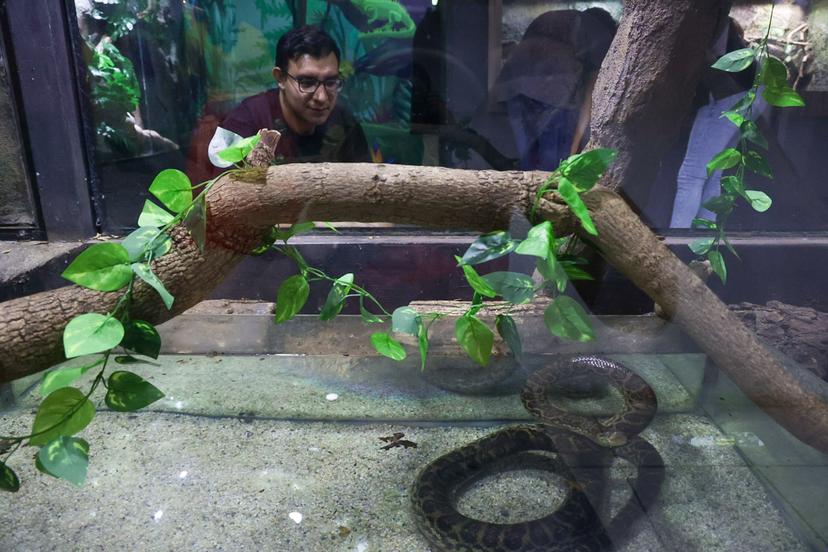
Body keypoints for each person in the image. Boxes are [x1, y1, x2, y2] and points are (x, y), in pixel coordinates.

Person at [471, 8, 617, 171]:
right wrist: (574, 153)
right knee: (552, 164)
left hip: (513, 91)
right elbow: (591, 94)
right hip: (554, 97)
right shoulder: (602, 35)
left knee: (526, 156)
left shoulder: (559, 20)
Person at [208, 25, 370, 168]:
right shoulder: (245, 124)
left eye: (331, 82)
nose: (321, 97)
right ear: (280, 78)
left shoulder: (345, 124)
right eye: (307, 82)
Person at [669, 17, 766, 228]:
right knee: (712, 173)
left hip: (730, 95)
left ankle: (677, 243)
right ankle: (701, 244)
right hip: (753, 91)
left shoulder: (705, 18)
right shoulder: (721, 20)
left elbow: (709, 59)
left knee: (691, 175)